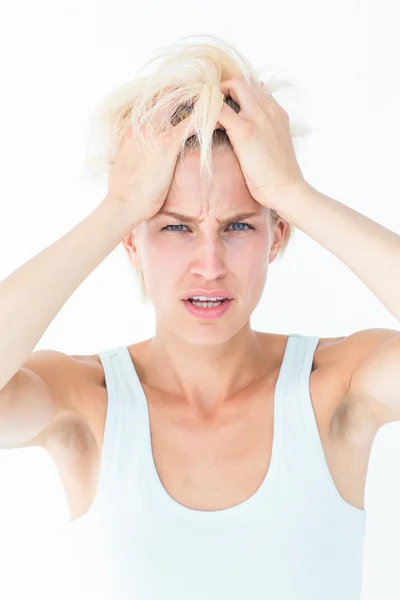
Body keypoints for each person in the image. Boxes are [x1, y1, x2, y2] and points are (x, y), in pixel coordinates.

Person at [1, 34, 400, 600]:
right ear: (131, 243)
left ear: (276, 235)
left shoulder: (338, 389)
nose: (208, 265)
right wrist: (118, 208)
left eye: (238, 225)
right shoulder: (86, 404)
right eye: (175, 226)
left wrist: (291, 189)